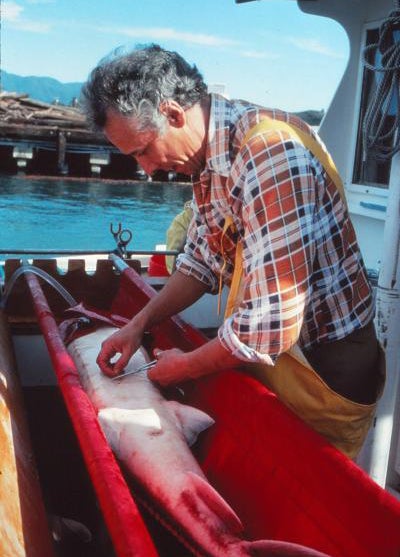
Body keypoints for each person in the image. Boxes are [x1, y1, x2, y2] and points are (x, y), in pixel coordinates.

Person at [81, 44, 384, 458]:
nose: (147, 170)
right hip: (279, 362)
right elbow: (202, 262)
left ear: (173, 114)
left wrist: (184, 366)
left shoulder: (270, 156)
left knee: (310, 501)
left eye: (143, 151)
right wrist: (139, 324)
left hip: (325, 372)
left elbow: (271, 326)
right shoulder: (207, 162)